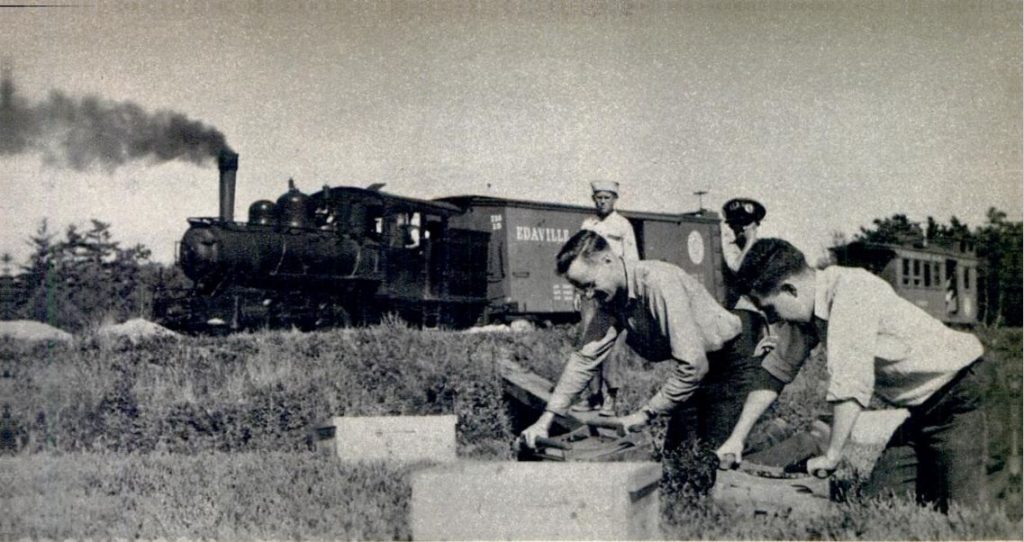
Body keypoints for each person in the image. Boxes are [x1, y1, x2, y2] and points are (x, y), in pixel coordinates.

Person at [715, 238, 987, 512]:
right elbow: (775, 372)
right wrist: (736, 439)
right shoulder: (808, 309)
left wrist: (832, 455)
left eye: (770, 309)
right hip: (922, 414)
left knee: (965, 514)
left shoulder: (851, 292)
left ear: (789, 289)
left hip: (967, 398)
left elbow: (851, 383)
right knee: (879, 505)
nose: (771, 320)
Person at [520, 229, 770, 456]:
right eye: (579, 289)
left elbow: (693, 366)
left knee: (717, 455)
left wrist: (645, 413)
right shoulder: (610, 299)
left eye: (588, 285)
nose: (586, 295)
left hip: (734, 356)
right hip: (700, 364)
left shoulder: (657, 282)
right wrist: (546, 420)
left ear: (608, 261)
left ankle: (773, 435)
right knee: (675, 458)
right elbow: (585, 358)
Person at [572, 181, 640, 416]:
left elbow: (632, 260)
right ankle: (593, 396)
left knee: (612, 347)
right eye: (598, 197)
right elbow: (580, 260)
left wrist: (631, 293)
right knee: (588, 343)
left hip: (614, 293)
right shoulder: (587, 224)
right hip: (591, 292)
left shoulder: (622, 226)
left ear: (614, 199)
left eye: (606, 197)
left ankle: (611, 398)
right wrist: (577, 291)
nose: (601, 201)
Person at [722, 197, 766, 272]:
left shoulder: (764, 247)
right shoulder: (731, 248)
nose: (741, 230)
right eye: (736, 225)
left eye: (746, 223)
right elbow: (735, 268)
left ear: (755, 225)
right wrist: (750, 242)